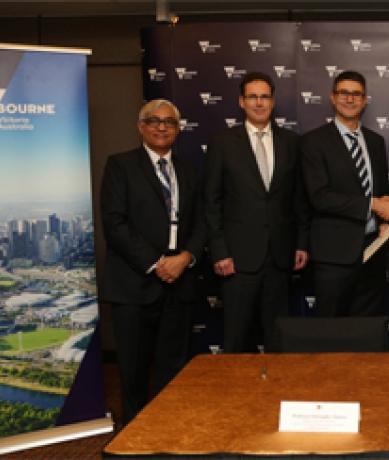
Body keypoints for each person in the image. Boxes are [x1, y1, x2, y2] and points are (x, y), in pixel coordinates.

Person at [100, 99, 206, 425]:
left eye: (170, 122)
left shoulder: (189, 170)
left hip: (180, 283)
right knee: (132, 369)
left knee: (172, 367)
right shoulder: (120, 166)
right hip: (135, 285)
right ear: (141, 126)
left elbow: (203, 222)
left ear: (178, 129)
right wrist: (157, 263)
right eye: (154, 120)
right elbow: (114, 224)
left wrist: (185, 257)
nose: (162, 127)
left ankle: (165, 429)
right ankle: (132, 434)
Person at [204, 71, 310, 352]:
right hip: (237, 261)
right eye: (252, 97)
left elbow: (298, 198)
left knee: (279, 340)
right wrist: (220, 251)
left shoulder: (291, 142)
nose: (259, 103)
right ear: (241, 102)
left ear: (273, 102)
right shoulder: (222, 143)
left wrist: (301, 243)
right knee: (237, 340)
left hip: (280, 258)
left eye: (264, 97)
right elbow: (211, 201)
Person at [301, 70, 389, 317]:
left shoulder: (375, 142)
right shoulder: (313, 142)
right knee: (332, 333)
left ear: (365, 100)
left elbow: (380, 191)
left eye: (356, 94)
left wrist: (387, 219)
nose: (350, 99)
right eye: (344, 93)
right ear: (333, 98)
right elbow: (319, 197)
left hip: (373, 252)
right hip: (334, 257)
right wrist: (373, 205)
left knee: (368, 332)